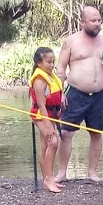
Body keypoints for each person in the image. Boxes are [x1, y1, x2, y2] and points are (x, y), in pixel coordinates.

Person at [57, 5, 103, 182]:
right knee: (66, 133)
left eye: (99, 20)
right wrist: (60, 92)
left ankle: (92, 173)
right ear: (83, 22)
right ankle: (62, 173)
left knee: (96, 133)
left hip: (99, 95)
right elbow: (61, 68)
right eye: (93, 21)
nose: (97, 24)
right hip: (75, 93)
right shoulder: (72, 41)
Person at [28, 46, 63, 193]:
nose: (52, 65)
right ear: (39, 63)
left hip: (51, 115)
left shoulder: (49, 75)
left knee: (45, 147)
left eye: (53, 62)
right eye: (49, 62)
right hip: (41, 115)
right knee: (53, 143)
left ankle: (47, 179)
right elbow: (41, 105)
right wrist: (48, 126)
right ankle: (49, 180)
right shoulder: (39, 80)